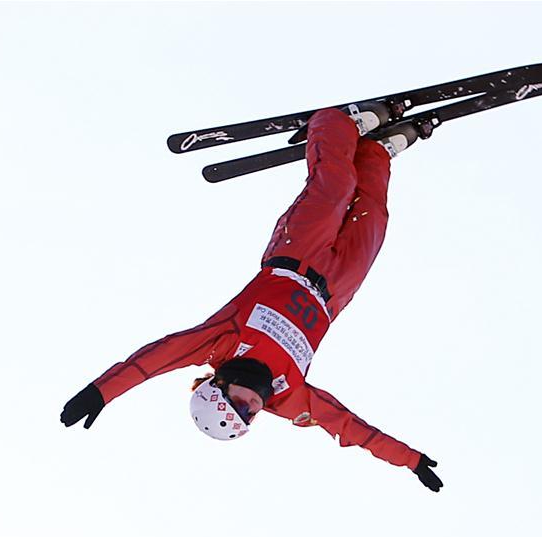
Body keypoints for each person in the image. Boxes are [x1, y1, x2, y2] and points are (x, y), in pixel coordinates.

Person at [60, 105, 443, 492]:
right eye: (250, 418)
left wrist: (100, 392)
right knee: (372, 217)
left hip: (296, 256)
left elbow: (150, 361)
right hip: (335, 288)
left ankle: (337, 123)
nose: (254, 407)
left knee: (335, 188)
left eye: (240, 406)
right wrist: (409, 460)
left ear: (219, 386)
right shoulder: (290, 397)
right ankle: (375, 151)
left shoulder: (219, 344)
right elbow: (348, 428)